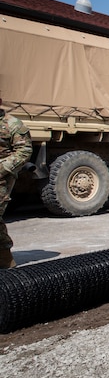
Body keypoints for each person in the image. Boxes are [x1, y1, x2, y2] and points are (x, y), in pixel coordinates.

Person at [0, 98, 33, 269]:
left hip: (2, 176)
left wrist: (3, 168)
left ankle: (6, 261)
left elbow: (24, 150)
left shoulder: (12, 124)